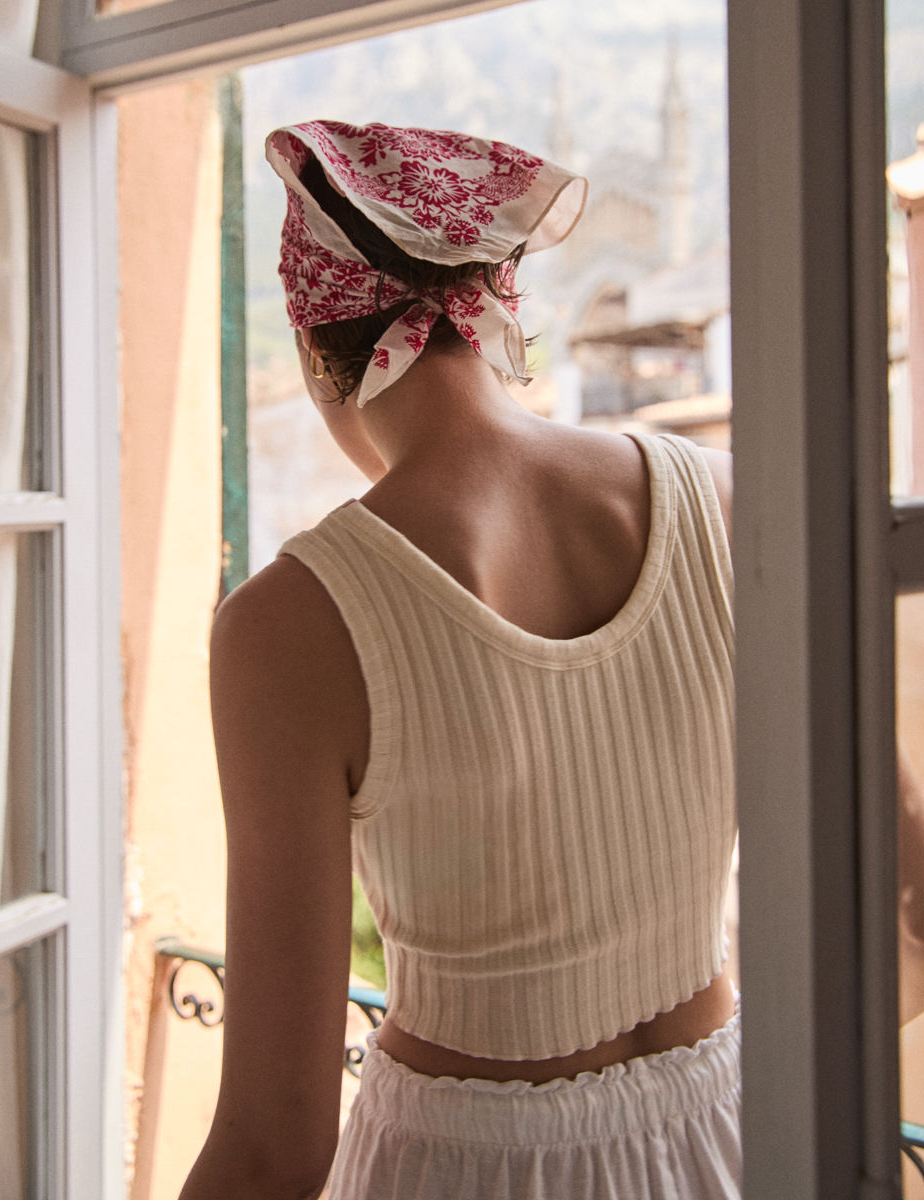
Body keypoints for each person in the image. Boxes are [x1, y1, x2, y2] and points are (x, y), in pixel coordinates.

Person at [178, 120, 740, 1200]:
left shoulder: (289, 626)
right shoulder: (723, 496)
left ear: (317, 348)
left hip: (467, 1172)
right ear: (497, 301)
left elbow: (273, 1150)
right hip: (728, 1135)